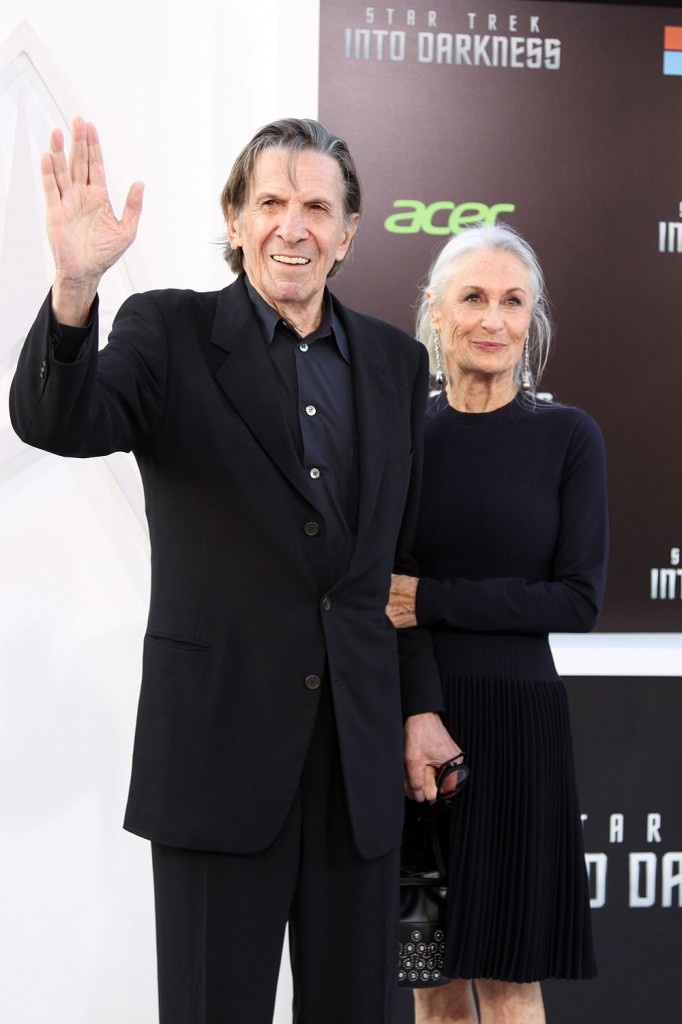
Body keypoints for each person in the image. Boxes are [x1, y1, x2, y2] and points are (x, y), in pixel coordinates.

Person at [9, 115, 461, 1024]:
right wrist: (73, 287)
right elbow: (59, 421)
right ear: (235, 215)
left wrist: (419, 707)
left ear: (350, 230)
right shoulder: (167, 330)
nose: (293, 226)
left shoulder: (396, 363)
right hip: (218, 758)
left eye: (317, 207)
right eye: (271, 203)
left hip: (358, 767)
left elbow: (398, 565)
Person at [387, 223, 608, 1024]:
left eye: (513, 301)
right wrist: (418, 709)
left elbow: (576, 600)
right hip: (422, 726)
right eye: (473, 298)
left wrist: (435, 597)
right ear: (435, 313)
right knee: (435, 982)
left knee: (513, 982)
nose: (493, 318)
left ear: (533, 318)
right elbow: (383, 594)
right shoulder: (403, 438)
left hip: (521, 732)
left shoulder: (568, 437)